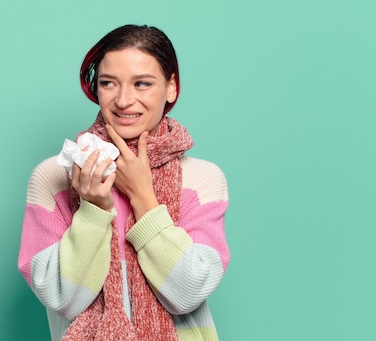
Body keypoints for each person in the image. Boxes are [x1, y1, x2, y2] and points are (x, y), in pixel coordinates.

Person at [18, 24, 230, 340]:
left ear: (171, 88)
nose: (124, 100)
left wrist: (143, 195)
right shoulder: (54, 176)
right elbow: (63, 299)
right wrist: (93, 210)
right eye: (108, 83)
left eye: (142, 84)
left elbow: (187, 292)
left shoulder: (202, 179)